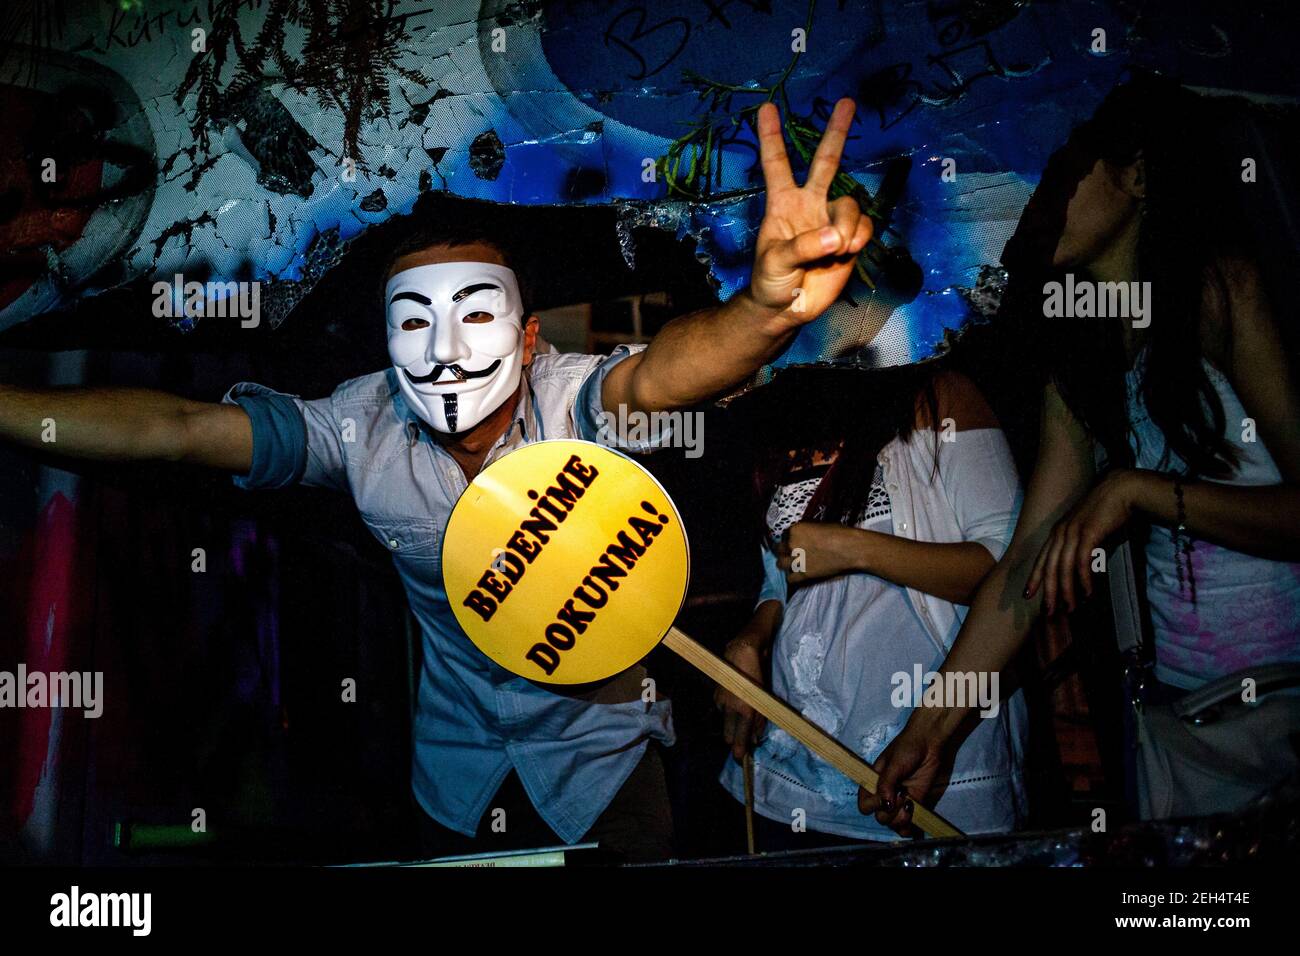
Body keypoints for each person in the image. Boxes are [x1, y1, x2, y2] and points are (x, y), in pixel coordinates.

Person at [0, 99, 874, 862]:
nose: (446, 352)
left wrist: (761, 315)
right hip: (458, 771)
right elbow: (182, 430)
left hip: (601, 767)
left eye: (477, 315)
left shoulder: (571, 399)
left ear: (528, 339)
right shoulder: (360, 425)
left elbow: (663, 378)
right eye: (414, 323)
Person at [863, 76, 1300, 834]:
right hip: (1186, 717)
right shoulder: (1081, 347)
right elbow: (1026, 563)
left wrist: (1138, 492)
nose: (1035, 195)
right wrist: (928, 731)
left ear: (1138, 176)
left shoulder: (1222, 290)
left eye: (1057, 168)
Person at [715, 363, 1027, 845]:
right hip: (792, 767)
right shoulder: (787, 414)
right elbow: (781, 579)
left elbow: (1012, 567)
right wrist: (751, 639)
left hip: (926, 764)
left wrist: (854, 549)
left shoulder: (938, 395)